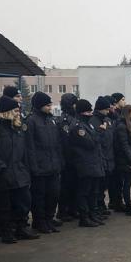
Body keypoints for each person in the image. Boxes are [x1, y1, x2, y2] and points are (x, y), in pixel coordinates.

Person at [0, 95, 39, 243]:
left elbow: (24, 150)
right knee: (4, 205)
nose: (18, 113)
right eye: (15, 111)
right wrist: (0, 167)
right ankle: (7, 232)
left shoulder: (17, 127)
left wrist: (26, 168)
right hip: (3, 173)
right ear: (7, 112)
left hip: (19, 171)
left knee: (23, 202)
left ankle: (21, 228)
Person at [26, 91, 62, 234]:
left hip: (53, 165)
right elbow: (30, 147)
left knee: (53, 194)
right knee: (39, 196)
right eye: (47, 105)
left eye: (50, 105)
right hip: (40, 167)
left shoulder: (51, 120)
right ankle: (39, 221)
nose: (50, 107)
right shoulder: (31, 121)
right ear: (40, 105)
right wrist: (34, 167)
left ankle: (49, 218)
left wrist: (59, 162)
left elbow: (57, 143)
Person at [70, 99, 106, 227]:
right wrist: (100, 132)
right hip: (85, 164)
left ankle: (92, 214)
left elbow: (95, 142)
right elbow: (90, 143)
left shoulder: (88, 124)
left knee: (93, 192)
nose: (91, 113)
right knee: (84, 192)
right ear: (82, 112)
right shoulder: (78, 126)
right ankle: (84, 217)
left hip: (94, 163)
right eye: (88, 111)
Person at [91, 96, 116, 217]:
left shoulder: (107, 120)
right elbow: (95, 141)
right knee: (98, 187)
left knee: (105, 184)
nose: (108, 111)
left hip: (109, 156)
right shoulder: (93, 121)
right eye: (106, 109)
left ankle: (101, 206)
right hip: (100, 157)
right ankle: (97, 207)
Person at [56, 93, 78, 222]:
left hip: (75, 158)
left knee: (74, 185)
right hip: (67, 158)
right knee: (65, 186)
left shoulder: (74, 117)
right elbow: (65, 141)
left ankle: (73, 209)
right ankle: (63, 211)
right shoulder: (64, 120)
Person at [107, 92, 126, 211]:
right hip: (112, 153)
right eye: (122, 99)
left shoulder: (118, 115)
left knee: (119, 180)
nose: (124, 101)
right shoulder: (110, 118)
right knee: (114, 181)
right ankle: (114, 201)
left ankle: (117, 201)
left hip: (117, 153)